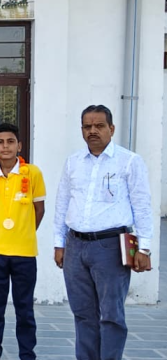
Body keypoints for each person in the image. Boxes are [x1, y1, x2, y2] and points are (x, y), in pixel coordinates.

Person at [54, 105, 153, 359]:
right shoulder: (73, 162)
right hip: (75, 245)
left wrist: (144, 248)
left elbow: (142, 205)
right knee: (82, 313)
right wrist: (59, 243)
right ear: (81, 130)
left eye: (99, 126)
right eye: (87, 126)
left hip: (111, 246)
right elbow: (62, 203)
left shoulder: (129, 161)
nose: (93, 131)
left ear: (112, 128)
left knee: (111, 314)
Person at [0, 123, 45, 360]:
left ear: (19, 145)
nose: (5, 147)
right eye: (0, 142)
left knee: (24, 307)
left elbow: (39, 210)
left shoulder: (32, 173)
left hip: (24, 251)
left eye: (10, 142)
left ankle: (27, 354)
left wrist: (24, 232)